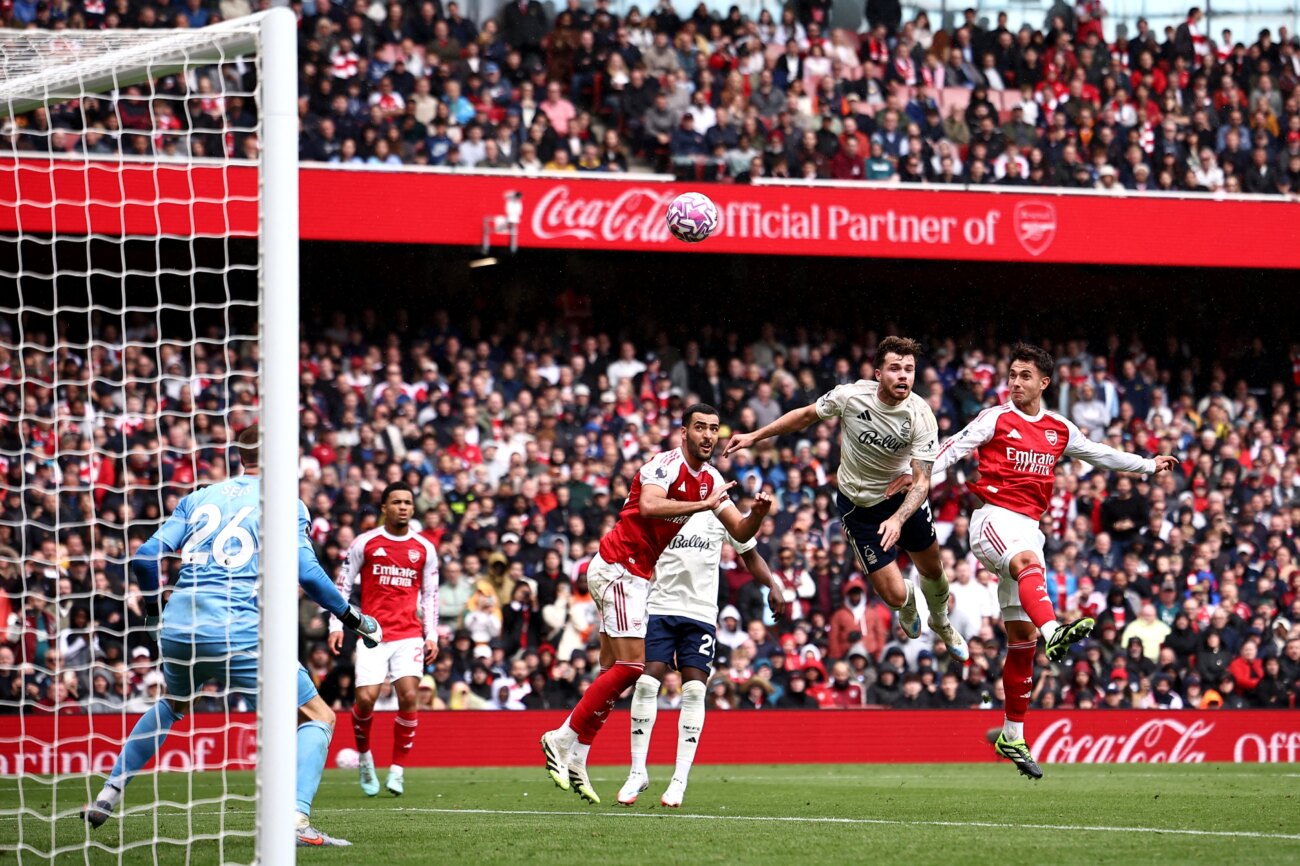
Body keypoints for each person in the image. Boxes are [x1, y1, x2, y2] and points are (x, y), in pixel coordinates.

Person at [82, 426, 382, 847]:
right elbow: (308, 573)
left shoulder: (199, 496)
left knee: (173, 704)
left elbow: (146, 556)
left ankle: (108, 793)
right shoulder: (283, 503)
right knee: (320, 716)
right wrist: (353, 619)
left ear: (239, 455)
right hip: (236, 628)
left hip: (179, 625)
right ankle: (295, 821)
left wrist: (153, 615)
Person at [917, 343, 1176, 778]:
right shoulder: (996, 418)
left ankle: (1013, 733)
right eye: (1011, 374)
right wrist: (919, 477)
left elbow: (1100, 453)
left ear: (1044, 383)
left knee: (1022, 641)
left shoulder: (1058, 428)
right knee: (1025, 566)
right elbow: (954, 448)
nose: (1014, 382)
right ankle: (1056, 628)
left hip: (1030, 531)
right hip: (992, 520)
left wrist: (1147, 467)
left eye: (1023, 376)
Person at [540, 404, 771, 804]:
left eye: (714, 429)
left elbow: (739, 528)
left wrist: (758, 515)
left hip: (633, 575)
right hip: (620, 567)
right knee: (634, 667)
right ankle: (561, 738)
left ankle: (579, 754)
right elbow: (649, 506)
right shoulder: (662, 465)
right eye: (700, 427)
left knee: (613, 668)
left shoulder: (712, 478)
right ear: (683, 432)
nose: (708, 436)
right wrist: (702, 505)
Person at [725, 336, 969, 661]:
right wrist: (755, 436)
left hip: (903, 502)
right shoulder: (851, 396)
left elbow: (923, 481)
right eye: (895, 368)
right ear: (878, 373)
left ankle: (941, 622)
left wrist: (897, 519)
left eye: (909, 369)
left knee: (934, 571)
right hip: (859, 508)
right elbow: (805, 416)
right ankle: (908, 602)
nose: (903, 376)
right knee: (894, 596)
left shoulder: (921, 414)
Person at [617, 509, 784, 807]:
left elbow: (749, 551)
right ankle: (637, 771)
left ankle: (679, 780)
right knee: (645, 684)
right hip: (661, 609)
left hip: (700, 616)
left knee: (694, 691)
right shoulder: (662, 506)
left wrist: (772, 584)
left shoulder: (720, 509)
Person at [327, 481, 440, 797]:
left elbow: (431, 594)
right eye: (396, 502)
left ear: (413, 508)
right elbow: (343, 585)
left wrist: (431, 634)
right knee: (365, 699)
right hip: (372, 633)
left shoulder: (424, 549)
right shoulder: (366, 543)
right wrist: (335, 625)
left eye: (407, 502)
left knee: (408, 696)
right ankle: (364, 758)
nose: (403, 507)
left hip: (408, 635)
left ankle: (397, 771)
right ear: (384, 508)